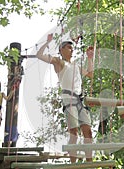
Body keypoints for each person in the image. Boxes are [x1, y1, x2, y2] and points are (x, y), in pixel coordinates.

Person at [36, 34, 94, 163]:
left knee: (88, 131)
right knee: (74, 132)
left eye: (72, 48)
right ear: (61, 50)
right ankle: (73, 163)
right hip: (69, 99)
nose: (71, 50)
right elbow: (39, 55)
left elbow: (90, 74)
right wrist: (47, 42)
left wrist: (90, 58)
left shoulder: (76, 66)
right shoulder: (59, 62)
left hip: (80, 100)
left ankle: (90, 163)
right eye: (68, 47)